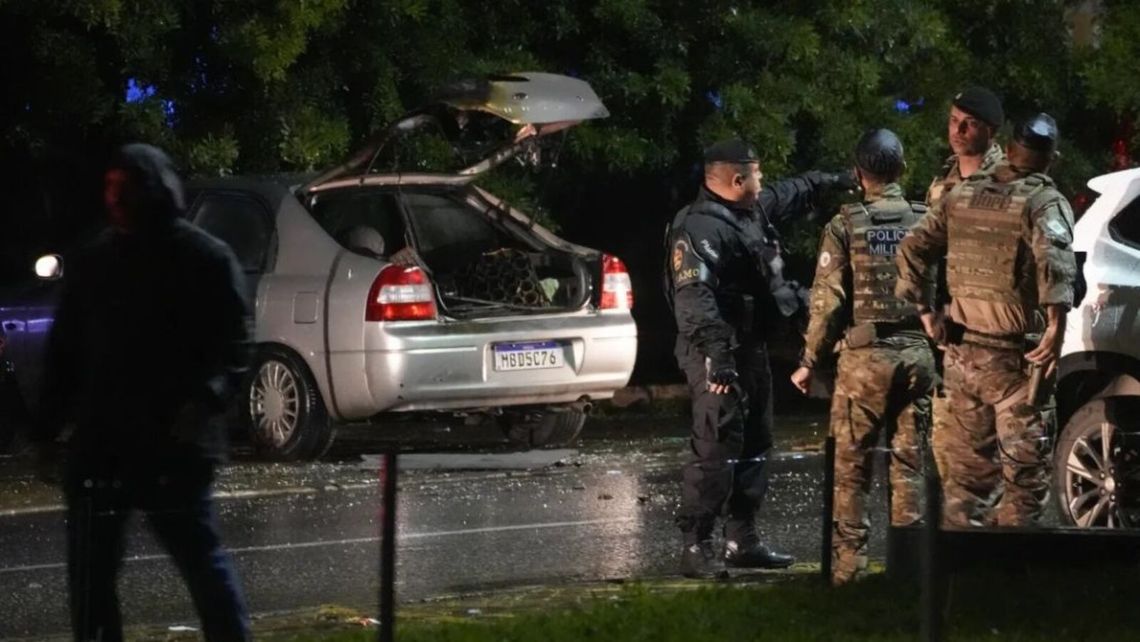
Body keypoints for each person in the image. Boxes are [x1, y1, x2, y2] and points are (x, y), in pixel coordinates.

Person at [34, 143, 253, 641]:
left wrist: (203, 404)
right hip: (105, 445)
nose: (116, 200)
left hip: (171, 445)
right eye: (111, 189)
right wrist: (47, 431)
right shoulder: (97, 262)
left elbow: (235, 345)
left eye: (125, 189)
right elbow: (65, 353)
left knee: (200, 561)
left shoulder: (203, 259)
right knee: (93, 576)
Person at [664, 138, 855, 578]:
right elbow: (693, 299)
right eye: (757, 173)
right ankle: (696, 545)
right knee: (717, 443)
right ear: (737, 179)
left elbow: (789, 192)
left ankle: (742, 538)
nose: (763, 180)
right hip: (714, 349)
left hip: (749, 345)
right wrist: (717, 355)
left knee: (756, 439)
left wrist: (833, 181)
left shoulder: (747, 211)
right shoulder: (699, 228)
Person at [896, 114, 1077, 528]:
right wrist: (1056, 325)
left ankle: (963, 582)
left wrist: (925, 312)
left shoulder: (963, 194)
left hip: (962, 358)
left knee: (964, 487)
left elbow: (912, 248)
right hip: (1017, 363)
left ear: (1010, 149)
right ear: (1051, 159)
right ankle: (1007, 580)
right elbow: (1056, 260)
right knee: (1023, 483)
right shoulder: (1042, 201)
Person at [790, 129, 936, 584]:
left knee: (851, 469)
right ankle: (910, 573)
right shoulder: (926, 219)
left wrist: (809, 360)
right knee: (910, 466)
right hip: (919, 355)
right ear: (902, 169)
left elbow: (827, 301)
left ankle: (849, 575)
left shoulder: (845, 225)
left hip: (865, 361)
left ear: (858, 174)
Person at [926, 86, 1006, 208]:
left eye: (971, 123)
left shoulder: (1007, 179)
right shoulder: (945, 174)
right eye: (954, 120)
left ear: (992, 131)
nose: (959, 130)